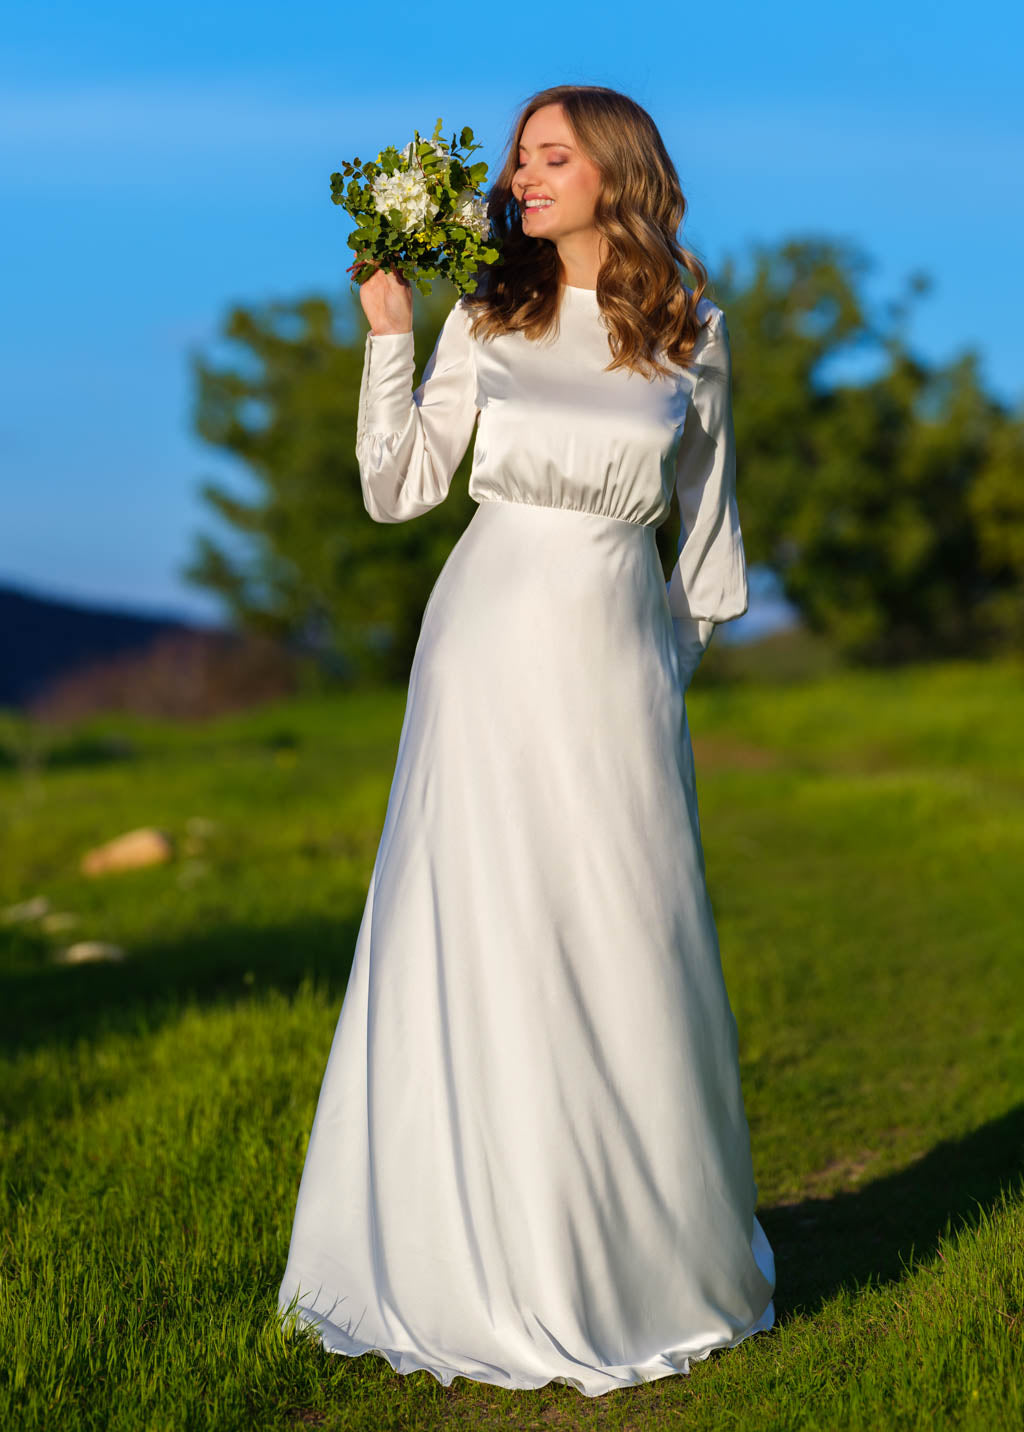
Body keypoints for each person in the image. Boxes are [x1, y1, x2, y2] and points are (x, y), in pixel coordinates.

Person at [277, 83, 776, 1398]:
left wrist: (670, 662)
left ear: (614, 172)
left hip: (618, 660)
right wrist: (388, 338)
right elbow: (399, 490)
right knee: (488, 927)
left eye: (549, 156)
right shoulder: (485, 318)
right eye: (517, 159)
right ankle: (478, 1257)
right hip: (486, 648)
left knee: (626, 932)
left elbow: (710, 542)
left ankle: (647, 1258)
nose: (521, 175)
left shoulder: (695, 337)